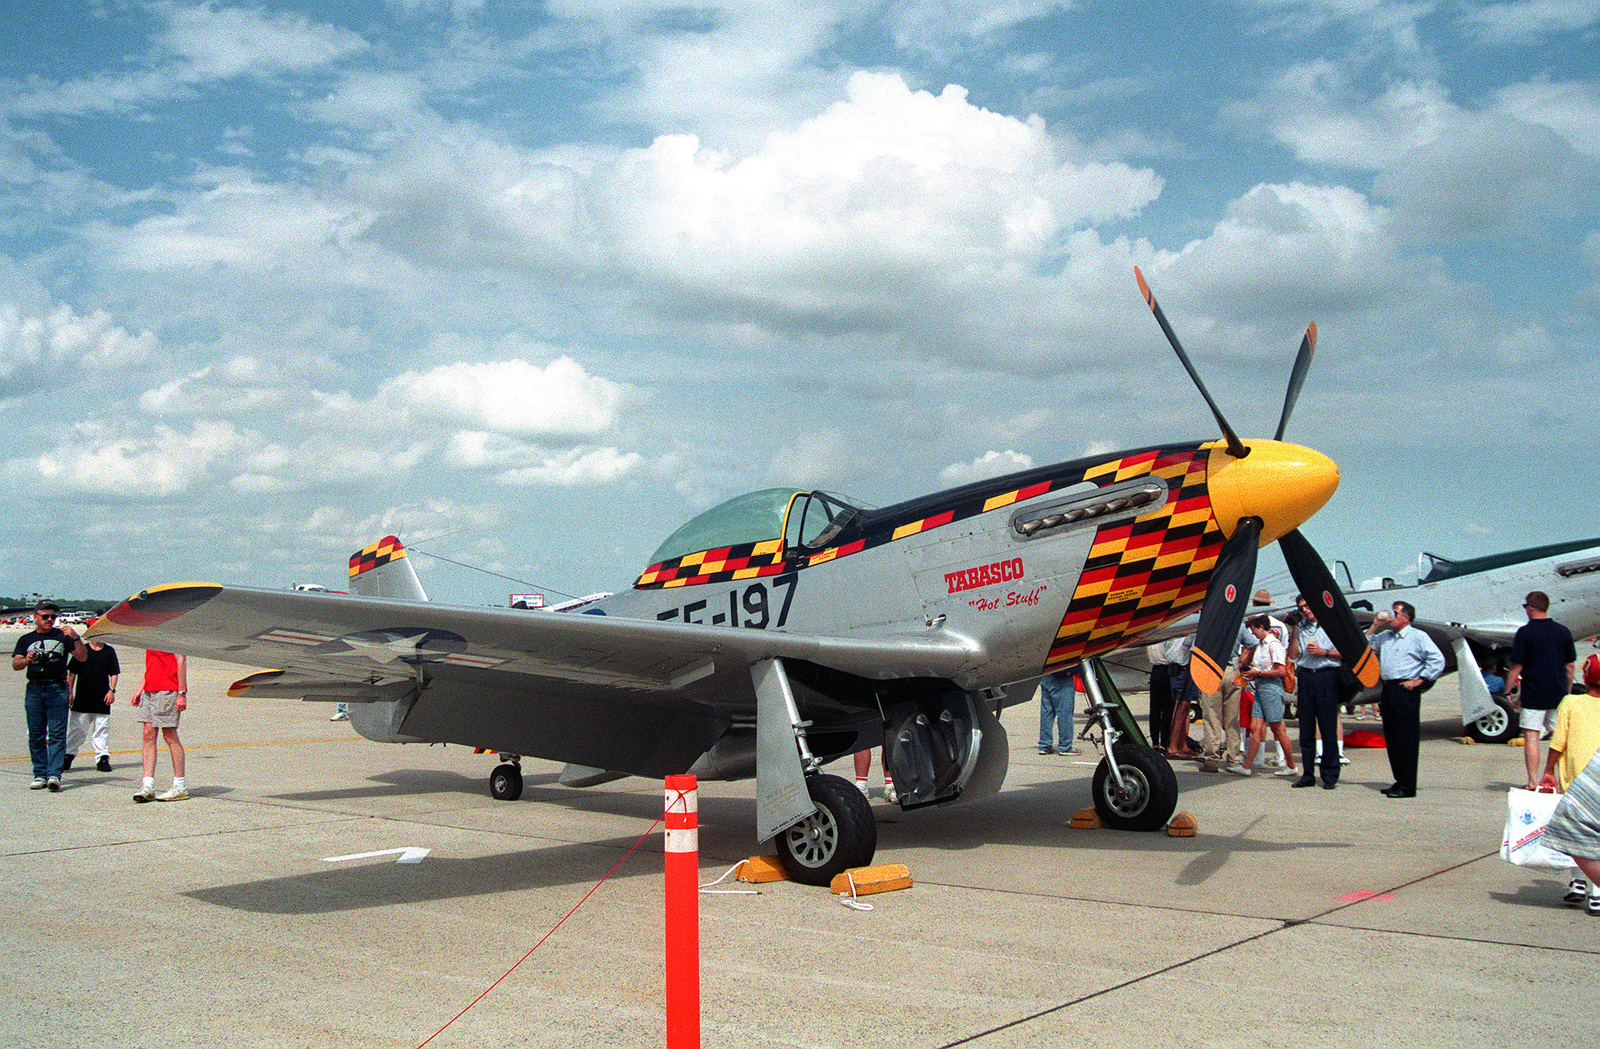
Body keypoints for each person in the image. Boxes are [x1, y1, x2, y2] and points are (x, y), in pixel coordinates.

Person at [1365, 601, 1446, 798]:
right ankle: (1399, 780)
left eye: (1395, 613)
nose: (1391, 616)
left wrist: (1421, 679)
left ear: (1406, 618)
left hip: (1405, 690)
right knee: (1392, 737)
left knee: (1406, 738)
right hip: (1389, 689)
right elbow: (1363, 644)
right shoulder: (1385, 637)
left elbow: (1437, 659)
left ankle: (1408, 785)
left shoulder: (1418, 637)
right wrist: (1375, 624)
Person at [10, 599, 87, 791]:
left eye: (53, 616)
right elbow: (15, 664)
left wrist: (76, 638)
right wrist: (27, 659)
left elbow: (82, 657)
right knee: (36, 735)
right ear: (35, 617)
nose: (49, 620)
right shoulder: (25, 639)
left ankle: (54, 774)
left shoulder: (63, 636)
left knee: (57, 734)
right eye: (45, 616)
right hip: (35, 689)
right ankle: (39, 774)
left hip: (57, 688)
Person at [1506, 591, 1576, 791]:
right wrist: (1567, 691)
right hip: (1558, 693)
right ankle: (1562, 779)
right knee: (1561, 737)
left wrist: (1509, 691)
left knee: (1531, 736)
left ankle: (1533, 781)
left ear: (1531, 607)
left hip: (1534, 692)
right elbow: (1569, 666)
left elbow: (1516, 666)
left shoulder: (1525, 633)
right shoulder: (1563, 631)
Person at [1288, 593, 1342, 789]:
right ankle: (1308, 774)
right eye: (1302, 608)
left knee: (1328, 727)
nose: (1305, 610)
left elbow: (1345, 652)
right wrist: (1293, 628)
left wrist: (1324, 652)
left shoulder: (1331, 625)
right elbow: (1293, 654)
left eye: (1308, 606)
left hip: (1326, 674)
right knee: (1306, 729)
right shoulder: (1301, 628)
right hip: (1306, 675)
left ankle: (1329, 774)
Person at [1542, 748, 1600, 916]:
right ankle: (1595, 895)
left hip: (1577, 772)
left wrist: (1549, 767)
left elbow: (1558, 741)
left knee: (1584, 833)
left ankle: (1579, 882)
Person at [1241, 615, 1300, 779]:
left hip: (1272, 688)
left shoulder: (1274, 645)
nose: (1253, 634)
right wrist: (1254, 675)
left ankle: (1291, 765)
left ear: (1261, 627)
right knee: (1255, 727)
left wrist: (1258, 672)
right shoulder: (1261, 645)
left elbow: (1281, 671)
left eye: (1254, 630)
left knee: (1278, 729)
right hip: (1261, 687)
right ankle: (1247, 766)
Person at [131, 649, 189, 802]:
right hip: (150, 689)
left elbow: (181, 660)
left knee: (169, 736)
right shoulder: (152, 635)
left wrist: (181, 693)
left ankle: (179, 786)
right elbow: (152, 666)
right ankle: (148, 786)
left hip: (168, 689)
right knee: (148, 734)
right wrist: (140, 690)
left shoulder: (170, 633)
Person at [65, 630, 120, 772]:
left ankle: (102, 758)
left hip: (102, 698)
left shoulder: (109, 651)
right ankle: (68, 755)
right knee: (77, 729)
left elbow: (114, 673)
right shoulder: (82, 650)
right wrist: (69, 693)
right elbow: (72, 674)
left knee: (102, 730)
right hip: (83, 697)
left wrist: (111, 690)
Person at [1037, 669, 1078, 756]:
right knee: (1064, 712)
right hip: (1061, 674)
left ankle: (1045, 745)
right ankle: (1065, 746)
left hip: (1046, 673)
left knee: (1047, 711)